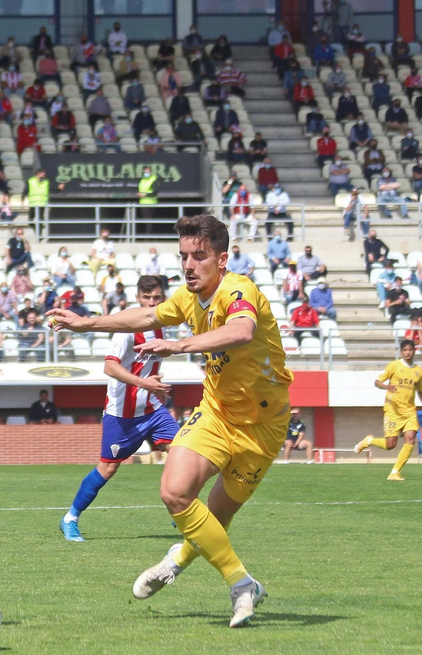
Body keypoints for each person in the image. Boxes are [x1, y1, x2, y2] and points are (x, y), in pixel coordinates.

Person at [47, 214, 290, 628]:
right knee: (175, 493)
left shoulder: (238, 290)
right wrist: (86, 323)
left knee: (217, 518)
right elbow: (145, 318)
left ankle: (175, 559)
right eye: (184, 257)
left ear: (222, 259)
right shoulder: (186, 297)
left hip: (263, 427)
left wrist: (180, 345)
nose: (189, 265)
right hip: (216, 413)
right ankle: (242, 584)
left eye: (199, 256)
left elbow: (243, 331)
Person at [60, 275, 181, 541]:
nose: (151, 303)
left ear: (163, 299)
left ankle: (179, 510)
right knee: (107, 469)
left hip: (152, 407)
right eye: (146, 298)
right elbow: (109, 367)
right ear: (138, 298)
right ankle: (70, 518)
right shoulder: (125, 330)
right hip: (122, 413)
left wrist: (153, 382)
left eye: (157, 298)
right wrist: (144, 382)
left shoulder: (161, 324)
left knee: (182, 452)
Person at [353, 339, 422, 481]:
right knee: (391, 444)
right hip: (393, 410)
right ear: (401, 352)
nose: (408, 352)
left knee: (411, 439)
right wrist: (386, 387)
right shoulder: (394, 366)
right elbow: (377, 382)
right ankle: (369, 440)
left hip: (409, 411)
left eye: (410, 350)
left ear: (414, 351)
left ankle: (395, 472)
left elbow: (420, 392)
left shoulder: (418, 371)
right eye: (405, 350)